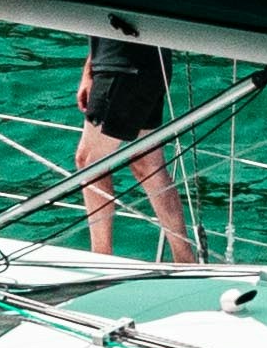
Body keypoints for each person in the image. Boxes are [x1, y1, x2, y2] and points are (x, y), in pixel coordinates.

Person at [76, 33, 196, 261]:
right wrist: (89, 69)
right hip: (150, 63)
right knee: (148, 165)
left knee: (90, 162)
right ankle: (186, 261)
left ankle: (101, 259)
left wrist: (94, 67)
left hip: (120, 66)